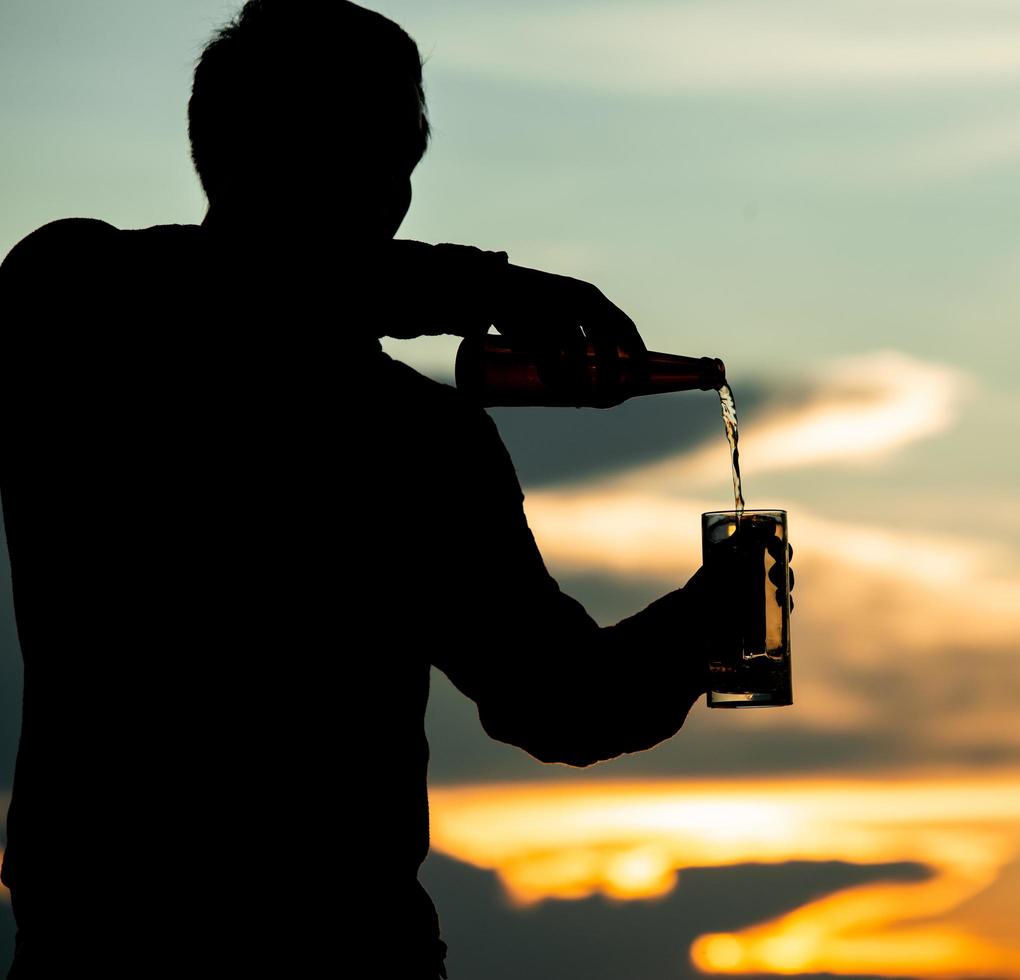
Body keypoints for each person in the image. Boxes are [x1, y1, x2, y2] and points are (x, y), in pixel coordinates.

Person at [0, 1, 782, 976]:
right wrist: (712, 616)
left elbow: (560, 699)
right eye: (380, 146)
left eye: (399, 150)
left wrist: (701, 617)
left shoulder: (68, 320)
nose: (392, 184)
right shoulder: (410, 438)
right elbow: (565, 705)